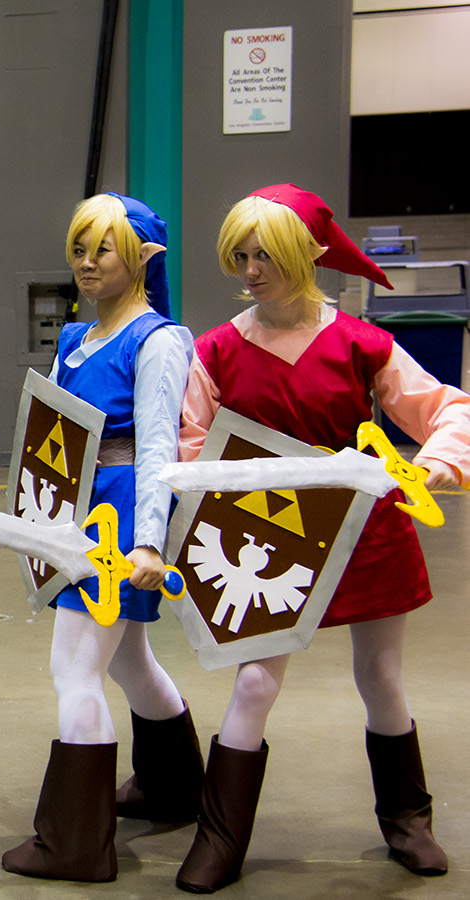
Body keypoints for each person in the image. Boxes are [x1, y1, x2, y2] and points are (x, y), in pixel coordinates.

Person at [175, 184, 470, 893]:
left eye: (266, 255)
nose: (250, 270)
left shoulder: (362, 342)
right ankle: (219, 838)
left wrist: (434, 465)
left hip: (365, 529)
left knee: (382, 677)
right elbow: (190, 448)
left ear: (307, 254)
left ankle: (408, 820)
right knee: (255, 683)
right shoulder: (216, 350)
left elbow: (446, 409)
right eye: (240, 255)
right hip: (267, 539)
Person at [1, 193, 199, 882]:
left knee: (76, 670)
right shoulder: (74, 339)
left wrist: (149, 543)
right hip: (73, 511)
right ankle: (174, 785)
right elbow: (52, 433)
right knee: (128, 661)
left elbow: (159, 448)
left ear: (143, 257)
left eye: (102, 249)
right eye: (79, 249)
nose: (86, 263)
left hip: (119, 520)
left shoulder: (158, 340)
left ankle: (77, 844)